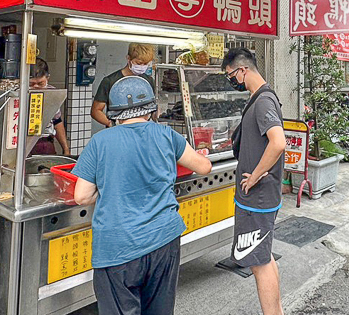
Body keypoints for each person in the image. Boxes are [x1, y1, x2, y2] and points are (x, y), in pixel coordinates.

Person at [72, 76, 212, 315]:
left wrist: (108, 185)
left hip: (118, 248)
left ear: (115, 113)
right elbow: (204, 167)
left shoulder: (100, 142)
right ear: (151, 109)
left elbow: (82, 196)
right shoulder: (167, 135)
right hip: (164, 241)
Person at [223, 47, 286, 315]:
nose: (231, 81)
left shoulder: (263, 102)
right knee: (265, 257)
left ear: (243, 70)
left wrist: (257, 173)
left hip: (258, 196)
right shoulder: (259, 97)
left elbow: (278, 142)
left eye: (230, 75)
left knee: (258, 263)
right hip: (260, 195)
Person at [90, 43, 155, 129]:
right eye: (139, 63)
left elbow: (153, 108)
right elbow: (96, 111)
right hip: (117, 133)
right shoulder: (110, 81)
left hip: (142, 131)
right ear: (128, 58)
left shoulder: (148, 82)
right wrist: (112, 124)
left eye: (145, 63)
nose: (142, 66)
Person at [28, 58, 69, 156]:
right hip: (21, 144)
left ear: (48, 78)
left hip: (45, 143)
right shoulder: (17, 93)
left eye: (40, 83)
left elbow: (57, 121)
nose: (36, 87)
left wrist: (66, 148)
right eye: (31, 84)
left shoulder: (52, 94)